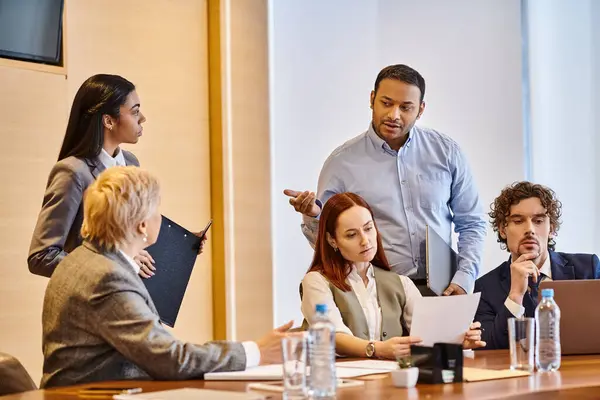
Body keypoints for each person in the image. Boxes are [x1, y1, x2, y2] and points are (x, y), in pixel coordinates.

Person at [41, 166, 292, 388]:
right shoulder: (107, 278)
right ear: (141, 225)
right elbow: (170, 359)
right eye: (156, 209)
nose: (160, 217)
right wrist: (256, 352)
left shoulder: (79, 258)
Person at [285, 64, 486, 295]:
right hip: (378, 293)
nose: (394, 115)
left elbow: (472, 223)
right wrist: (311, 215)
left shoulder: (446, 152)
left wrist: (464, 278)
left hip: (443, 289)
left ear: (420, 110)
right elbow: (327, 239)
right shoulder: (341, 163)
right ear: (372, 99)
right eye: (386, 103)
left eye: (406, 107)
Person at [300, 192, 485, 359]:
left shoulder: (401, 283)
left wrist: (457, 341)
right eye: (351, 235)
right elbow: (330, 335)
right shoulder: (317, 281)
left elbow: (427, 336)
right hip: (334, 382)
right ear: (332, 240)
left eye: (368, 228)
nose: (365, 241)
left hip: (387, 381)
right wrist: (377, 349)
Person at [474, 182, 600, 350]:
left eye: (538, 220)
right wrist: (515, 295)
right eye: (518, 221)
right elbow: (489, 349)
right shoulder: (485, 287)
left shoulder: (588, 268)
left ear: (551, 229)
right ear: (503, 230)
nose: (530, 229)